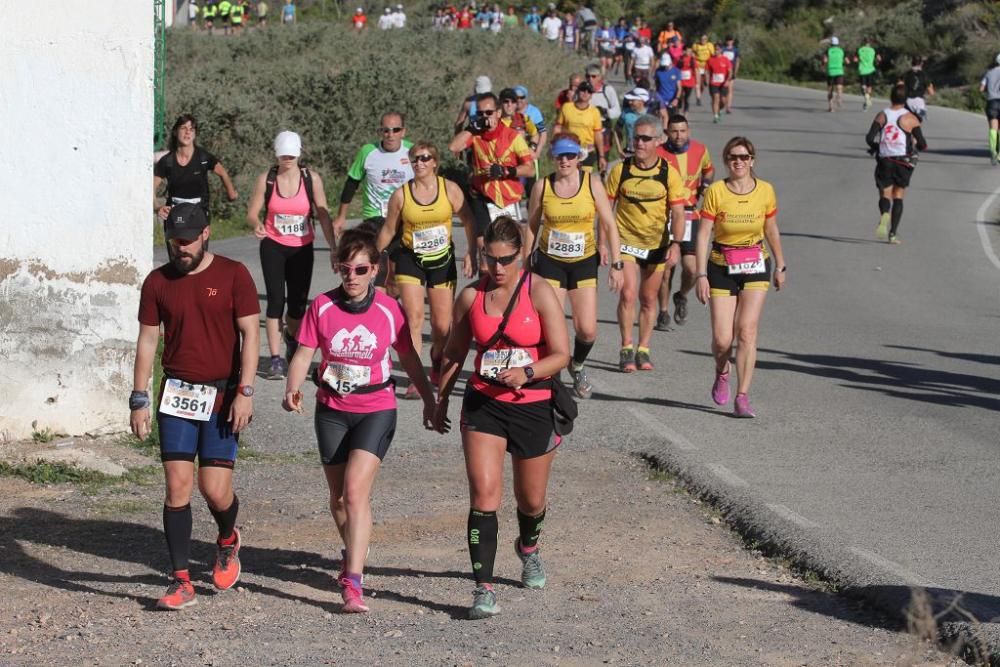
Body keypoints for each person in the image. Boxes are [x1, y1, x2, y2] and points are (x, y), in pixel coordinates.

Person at [283, 229, 436, 614]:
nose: (351, 276)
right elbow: (304, 353)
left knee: (354, 493)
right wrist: (292, 388)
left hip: (376, 407)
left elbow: (410, 359)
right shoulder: (322, 306)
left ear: (375, 270)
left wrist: (429, 401)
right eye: (344, 268)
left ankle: (352, 581)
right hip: (332, 409)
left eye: (360, 269)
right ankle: (353, 547)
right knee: (337, 499)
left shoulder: (388, 309)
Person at [433, 216, 571, 619]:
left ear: (522, 254)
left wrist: (527, 371)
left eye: (506, 260)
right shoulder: (470, 296)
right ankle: (483, 588)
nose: (497, 268)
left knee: (531, 501)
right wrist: (438, 399)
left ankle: (528, 548)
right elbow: (455, 353)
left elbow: (560, 354)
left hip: (533, 406)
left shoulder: (540, 292)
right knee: (484, 496)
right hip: (484, 405)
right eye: (490, 259)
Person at [131, 203, 260, 610]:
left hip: (222, 396)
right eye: (173, 241)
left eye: (186, 241)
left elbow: (251, 336)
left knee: (215, 490)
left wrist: (246, 391)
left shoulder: (233, 274)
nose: (180, 248)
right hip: (177, 396)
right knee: (177, 487)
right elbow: (148, 341)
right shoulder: (157, 282)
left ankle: (227, 539)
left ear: (206, 234)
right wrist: (139, 398)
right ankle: (181, 580)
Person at [696, 136, 786, 418]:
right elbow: (703, 234)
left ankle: (743, 395)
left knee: (746, 331)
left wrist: (781, 264)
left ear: (752, 161)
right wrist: (700, 274)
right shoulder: (717, 192)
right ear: (726, 161)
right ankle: (722, 371)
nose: (739, 162)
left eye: (744, 157)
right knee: (723, 340)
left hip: (756, 263)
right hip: (721, 264)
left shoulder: (766, 191)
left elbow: (771, 229)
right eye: (733, 157)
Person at [377, 142, 476, 398]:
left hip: (442, 260)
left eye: (424, 158)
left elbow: (468, 220)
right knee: (414, 319)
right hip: (411, 259)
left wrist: (472, 253)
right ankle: (416, 378)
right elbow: (389, 229)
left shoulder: (450, 190)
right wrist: (372, 256)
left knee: (442, 326)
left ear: (435, 161)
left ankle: (436, 357)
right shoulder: (401, 195)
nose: (419, 163)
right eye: (414, 159)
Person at [527, 133, 623, 398]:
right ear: (553, 158)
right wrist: (524, 263)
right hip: (551, 262)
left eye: (570, 155)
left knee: (587, 328)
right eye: (560, 155)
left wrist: (617, 265)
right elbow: (532, 227)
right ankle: (553, 376)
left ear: (579, 157)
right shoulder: (542, 187)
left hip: (582, 262)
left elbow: (609, 225)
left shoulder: (592, 184)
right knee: (552, 324)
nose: (565, 160)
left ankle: (577, 364)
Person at [246, 131, 333, 379]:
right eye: (283, 155)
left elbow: (324, 213)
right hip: (273, 245)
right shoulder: (268, 179)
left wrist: (334, 246)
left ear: (298, 155)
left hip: (302, 247)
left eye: (291, 156)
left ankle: (291, 339)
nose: (287, 160)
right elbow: (252, 212)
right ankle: (275, 359)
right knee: (275, 301)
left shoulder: (310, 179)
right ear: (276, 154)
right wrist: (256, 224)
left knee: (296, 307)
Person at [605, 115, 686, 372]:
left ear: (658, 141)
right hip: (626, 240)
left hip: (656, 243)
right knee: (628, 294)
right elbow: (606, 209)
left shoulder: (668, 173)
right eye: (636, 137)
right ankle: (626, 346)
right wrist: (604, 244)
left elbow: (679, 213)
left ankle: (644, 348)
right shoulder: (621, 169)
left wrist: (676, 244)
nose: (639, 143)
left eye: (645, 138)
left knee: (649, 299)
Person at [448, 92, 535, 268]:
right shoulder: (475, 135)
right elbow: (453, 147)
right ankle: (485, 289)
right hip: (482, 196)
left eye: (488, 112)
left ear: (498, 113)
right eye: (480, 113)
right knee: (484, 249)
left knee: (510, 248)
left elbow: (530, 170)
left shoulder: (512, 137)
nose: (484, 117)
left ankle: (511, 287)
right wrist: (471, 128)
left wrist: (506, 170)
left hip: (507, 199)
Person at [334, 112, 414, 289]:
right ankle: (376, 306)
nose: (390, 134)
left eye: (395, 130)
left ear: (403, 131)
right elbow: (352, 183)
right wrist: (341, 216)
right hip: (375, 218)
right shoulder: (368, 151)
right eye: (385, 130)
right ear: (380, 131)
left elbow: (424, 183)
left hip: (404, 218)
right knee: (379, 268)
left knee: (396, 276)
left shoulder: (412, 151)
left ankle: (390, 308)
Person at [656, 113, 714, 330]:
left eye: (682, 131)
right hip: (665, 215)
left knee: (690, 269)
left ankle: (681, 295)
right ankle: (662, 313)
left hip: (691, 215)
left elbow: (709, 169)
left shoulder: (700, 150)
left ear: (688, 131)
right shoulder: (659, 153)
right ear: (667, 132)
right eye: (674, 131)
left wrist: (706, 184)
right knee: (667, 267)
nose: (678, 135)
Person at [865, 85, 928, 244]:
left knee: (884, 194)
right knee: (898, 195)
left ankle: (885, 213)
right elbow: (922, 143)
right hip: (904, 161)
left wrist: (876, 148)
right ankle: (892, 234)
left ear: (890, 97)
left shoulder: (882, 115)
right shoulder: (910, 118)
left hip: (885, 159)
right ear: (905, 99)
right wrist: (917, 147)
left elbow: (869, 138)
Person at [154, 115, 239, 227]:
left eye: (191, 129)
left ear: (195, 134)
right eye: (183, 128)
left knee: (193, 244)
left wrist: (231, 193)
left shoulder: (203, 157)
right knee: (180, 244)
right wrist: (157, 207)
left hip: (199, 214)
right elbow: (150, 188)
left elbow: (222, 172)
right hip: (175, 216)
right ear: (175, 132)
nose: (187, 132)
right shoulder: (167, 161)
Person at [553, 81, 606, 174]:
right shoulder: (566, 107)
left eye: (589, 91)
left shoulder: (594, 112)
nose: (585, 93)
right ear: (578, 91)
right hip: (568, 149)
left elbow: (598, 134)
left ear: (591, 95)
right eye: (583, 90)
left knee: (584, 180)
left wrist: (601, 156)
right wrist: (554, 144)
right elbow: (558, 127)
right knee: (568, 178)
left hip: (587, 150)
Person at [585, 65, 621, 160]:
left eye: (593, 76)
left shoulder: (607, 90)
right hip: (586, 128)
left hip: (603, 127)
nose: (590, 79)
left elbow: (617, 110)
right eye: (588, 76)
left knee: (603, 158)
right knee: (586, 161)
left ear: (600, 77)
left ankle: (603, 174)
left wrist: (605, 112)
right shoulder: (583, 90)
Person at [615, 87, 649, 158]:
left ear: (641, 101)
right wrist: (619, 149)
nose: (630, 102)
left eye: (633, 100)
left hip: (646, 152)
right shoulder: (626, 113)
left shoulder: (650, 114)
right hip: (629, 152)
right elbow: (616, 130)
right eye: (629, 100)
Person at [981, 54, 1000, 165]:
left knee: (993, 128)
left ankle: (993, 151)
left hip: (992, 102)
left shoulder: (989, 72)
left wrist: (990, 91)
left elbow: (981, 88)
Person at [903, 56, 935, 122]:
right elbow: (931, 92)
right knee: (919, 121)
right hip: (919, 102)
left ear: (912, 63)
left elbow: (899, 87)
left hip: (907, 100)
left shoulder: (906, 74)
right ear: (921, 64)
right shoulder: (924, 75)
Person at [706, 45, 732, 123]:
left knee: (723, 101)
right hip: (713, 83)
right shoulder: (710, 60)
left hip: (723, 83)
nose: (716, 51)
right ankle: (715, 116)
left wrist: (727, 80)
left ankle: (719, 110)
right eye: (715, 49)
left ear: (721, 50)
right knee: (715, 98)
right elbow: (707, 71)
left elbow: (730, 71)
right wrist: (707, 80)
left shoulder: (725, 59)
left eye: (718, 49)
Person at [855, 36, 881, 111]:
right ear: (870, 42)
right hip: (871, 70)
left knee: (863, 86)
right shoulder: (873, 50)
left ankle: (867, 99)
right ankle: (868, 99)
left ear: (863, 42)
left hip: (862, 70)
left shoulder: (860, 50)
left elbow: (855, 59)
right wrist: (877, 62)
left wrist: (858, 61)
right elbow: (879, 58)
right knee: (869, 86)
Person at [653, 54, 682, 121]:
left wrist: (676, 99)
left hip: (672, 99)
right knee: (662, 118)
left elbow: (679, 88)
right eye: (664, 65)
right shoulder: (658, 71)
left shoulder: (676, 71)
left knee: (672, 119)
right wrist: (655, 97)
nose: (665, 66)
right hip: (661, 98)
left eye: (666, 65)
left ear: (670, 62)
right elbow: (656, 85)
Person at [824, 36, 846, 113]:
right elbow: (845, 60)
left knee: (830, 90)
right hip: (839, 71)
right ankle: (839, 96)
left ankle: (831, 108)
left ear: (831, 44)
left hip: (831, 71)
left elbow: (825, 60)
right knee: (839, 86)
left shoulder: (828, 50)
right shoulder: (841, 51)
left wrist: (824, 64)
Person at [691, 34, 714, 106]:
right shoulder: (695, 45)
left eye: (705, 39)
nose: (703, 41)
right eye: (702, 39)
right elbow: (692, 53)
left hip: (706, 65)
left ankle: (699, 94)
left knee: (704, 84)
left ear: (707, 40)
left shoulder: (710, 45)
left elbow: (713, 55)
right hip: (698, 64)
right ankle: (698, 98)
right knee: (697, 82)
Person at [721, 37, 740, 113]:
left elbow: (738, 61)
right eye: (728, 40)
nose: (729, 42)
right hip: (723, 71)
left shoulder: (735, 50)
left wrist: (735, 71)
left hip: (731, 71)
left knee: (730, 89)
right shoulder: (723, 49)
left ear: (733, 41)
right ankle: (723, 104)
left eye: (731, 40)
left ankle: (728, 107)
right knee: (723, 90)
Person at [676, 45, 697, 113]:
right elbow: (676, 69)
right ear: (684, 51)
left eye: (690, 51)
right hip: (681, 82)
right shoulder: (680, 59)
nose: (689, 52)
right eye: (688, 51)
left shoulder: (692, 59)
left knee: (687, 98)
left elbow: (695, 70)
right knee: (680, 97)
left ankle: (685, 114)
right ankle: (679, 111)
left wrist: (697, 81)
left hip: (690, 82)